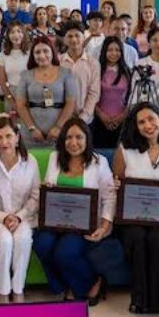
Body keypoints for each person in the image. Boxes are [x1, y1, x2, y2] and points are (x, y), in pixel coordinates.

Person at [34, 117, 114, 304]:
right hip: (55, 221)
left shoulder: (99, 162)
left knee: (65, 252)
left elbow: (110, 197)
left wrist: (103, 227)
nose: (73, 142)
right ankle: (63, 285)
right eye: (69, 137)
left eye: (79, 137)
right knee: (41, 244)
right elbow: (49, 189)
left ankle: (93, 282)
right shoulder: (55, 158)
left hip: (84, 224)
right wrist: (47, 188)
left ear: (87, 139)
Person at [114, 103, 159, 314]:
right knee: (136, 236)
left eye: (151, 119)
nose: (148, 125)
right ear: (135, 126)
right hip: (132, 218)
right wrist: (116, 185)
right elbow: (115, 185)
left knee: (158, 239)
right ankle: (140, 299)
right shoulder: (125, 150)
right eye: (141, 122)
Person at [0, 119, 40, 304]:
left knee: (22, 238)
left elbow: (36, 196)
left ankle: (18, 289)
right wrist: (3, 217)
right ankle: (3, 290)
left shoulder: (30, 161)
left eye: (8, 136)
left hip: (24, 217)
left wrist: (19, 217)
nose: (4, 142)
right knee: (4, 241)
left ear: (17, 137)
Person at [15, 36, 78, 145]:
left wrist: (58, 127)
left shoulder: (66, 73)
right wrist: (32, 128)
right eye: (37, 52)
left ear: (52, 52)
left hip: (59, 132)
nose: (42, 55)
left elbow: (70, 103)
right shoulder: (25, 75)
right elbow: (20, 105)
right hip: (31, 134)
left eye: (46, 51)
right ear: (33, 55)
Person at [92, 37, 131, 148]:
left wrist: (122, 116)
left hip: (122, 121)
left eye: (117, 50)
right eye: (110, 50)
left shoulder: (127, 71)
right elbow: (91, 96)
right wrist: (101, 115)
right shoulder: (96, 70)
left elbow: (132, 97)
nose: (114, 53)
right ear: (104, 51)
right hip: (99, 120)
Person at [60, 21, 101, 126]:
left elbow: (94, 93)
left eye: (77, 36)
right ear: (64, 40)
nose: (74, 40)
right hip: (61, 119)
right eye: (70, 36)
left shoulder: (93, 63)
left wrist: (84, 117)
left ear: (83, 38)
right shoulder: (57, 61)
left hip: (86, 120)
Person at [0, 21, 30, 109]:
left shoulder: (31, 53)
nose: (16, 35)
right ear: (8, 35)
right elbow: (2, 83)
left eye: (19, 31)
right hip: (11, 94)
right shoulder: (3, 55)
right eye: (12, 32)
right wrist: (12, 100)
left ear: (23, 34)